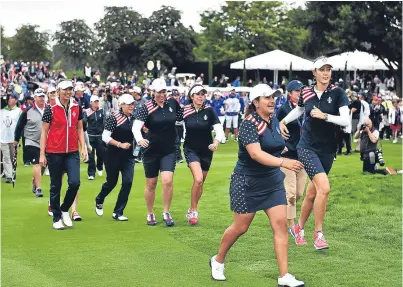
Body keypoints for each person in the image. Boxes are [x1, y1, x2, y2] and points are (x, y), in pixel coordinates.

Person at [210, 84, 304, 287]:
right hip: (247, 182)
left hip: (272, 181)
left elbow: (279, 146)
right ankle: (218, 260)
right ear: (255, 102)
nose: (272, 101)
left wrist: (294, 152)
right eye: (266, 98)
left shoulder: (273, 121)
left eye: (273, 97)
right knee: (240, 227)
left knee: (279, 224)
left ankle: (284, 275)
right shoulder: (248, 124)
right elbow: (255, 153)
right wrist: (283, 162)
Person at [280, 56, 350, 250]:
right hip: (307, 147)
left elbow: (345, 120)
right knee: (324, 189)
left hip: (328, 149)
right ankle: (318, 234)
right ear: (314, 73)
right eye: (322, 69)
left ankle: (298, 227)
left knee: (313, 192)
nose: (326, 73)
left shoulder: (338, 93)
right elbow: (299, 110)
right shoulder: (306, 92)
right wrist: (283, 121)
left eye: (328, 69)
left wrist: (325, 116)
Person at [132, 78, 183, 227]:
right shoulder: (146, 107)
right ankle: (150, 213)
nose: (161, 95)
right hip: (151, 150)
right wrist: (140, 139)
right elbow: (136, 127)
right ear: (152, 92)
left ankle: (166, 212)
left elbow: (181, 118)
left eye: (163, 92)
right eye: (158, 92)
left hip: (169, 150)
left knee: (167, 181)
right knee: (151, 184)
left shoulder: (173, 104)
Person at [40, 80, 87, 230]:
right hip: (54, 152)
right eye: (65, 90)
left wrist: (83, 147)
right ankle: (56, 216)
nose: (68, 92)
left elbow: (79, 129)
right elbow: (44, 132)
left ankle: (65, 209)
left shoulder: (76, 107)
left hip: (72, 151)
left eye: (70, 90)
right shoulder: (51, 108)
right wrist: (42, 154)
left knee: (75, 183)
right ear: (59, 90)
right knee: (56, 185)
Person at [183, 85, 225, 225]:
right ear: (192, 96)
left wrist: (216, 142)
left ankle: (191, 208)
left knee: (200, 183)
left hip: (207, 150)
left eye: (203, 94)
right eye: (198, 94)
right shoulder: (184, 111)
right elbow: (171, 124)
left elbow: (219, 130)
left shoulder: (209, 110)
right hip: (190, 149)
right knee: (199, 178)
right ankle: (194, 210)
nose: (201, 96)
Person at [95, 94, 136, 221]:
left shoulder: (134, 119)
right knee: (112, 182)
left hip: (128, 156)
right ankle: (100, 198)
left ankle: (118, 211)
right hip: (112, 154)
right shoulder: (114, 118)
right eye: (128, 104)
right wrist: (119, 144)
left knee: (128, 182)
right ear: (121, 105)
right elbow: (105, 137)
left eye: (132, 104)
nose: (131, 106)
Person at [276, 80, 308, 239]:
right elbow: (274, 127)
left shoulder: (307, 107)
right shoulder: (283, 109)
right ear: (289, 93)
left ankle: (281, 204)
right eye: (297, 91)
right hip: (287, 155)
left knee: (299, 192)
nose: (300, 93)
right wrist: (281, 145)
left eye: (301, 90)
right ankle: (291, 225)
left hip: (302, 155)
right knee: (291, 194)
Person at [14, 88, 47, 197]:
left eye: (43, 96)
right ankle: (38, 188)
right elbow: (19, 126)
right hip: (31, 141)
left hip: (46, 142)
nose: (42, 98)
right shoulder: (27, 111)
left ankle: (35, 181)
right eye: (39, 96)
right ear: (35, 98)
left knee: (43, 164)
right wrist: (16, 139)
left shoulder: (49, 109)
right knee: (37, 162)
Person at [0, 92, 21, 183]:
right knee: (6, 156)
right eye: (9, 98)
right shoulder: (2, 110)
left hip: (13, 138)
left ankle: (12, 171)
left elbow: (20, 125)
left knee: (13, 156)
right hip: (3, 136)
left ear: (16, 100)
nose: (10, 99)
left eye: (12, 98)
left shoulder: (18, 111)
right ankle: (8, 175)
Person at [85, 95, 105, 179]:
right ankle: (91, 174)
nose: (96, 103)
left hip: (100, 136)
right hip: (90, 136)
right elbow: (84, 122)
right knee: (91, 156)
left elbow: (104, 122)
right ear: (91, 103)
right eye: (95, 102)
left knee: (101, 154)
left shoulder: (102, 111)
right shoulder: (87, 112)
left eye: (97, 101)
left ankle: (99, 167)